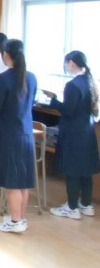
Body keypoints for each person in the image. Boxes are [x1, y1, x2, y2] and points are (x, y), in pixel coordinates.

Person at [0, 39, 37, 233]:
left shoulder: (2, 78)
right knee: (22, 180)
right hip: (26, 133)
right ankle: (20, 218)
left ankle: (15, 222)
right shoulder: (31, 77)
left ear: (5, 55)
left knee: (11, 181)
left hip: (7, 134)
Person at [45, 51, 100, 219]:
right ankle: (86, 205)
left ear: (72, 63)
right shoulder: (90, 81)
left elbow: (68, 111)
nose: (65, 66)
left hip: (73, 132)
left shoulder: (72, 85)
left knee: (72, 170)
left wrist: (54, 100)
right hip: (87, 131)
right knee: (85, 170)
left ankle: (72, 207)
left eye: (66, 63)